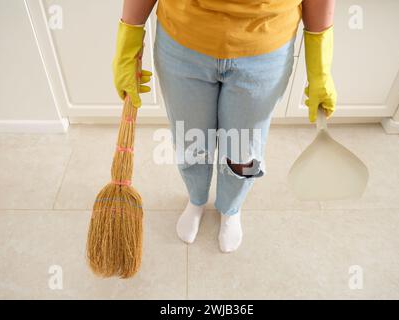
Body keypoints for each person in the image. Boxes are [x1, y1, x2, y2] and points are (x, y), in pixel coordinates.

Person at [113, 0, 337, 253]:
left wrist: (320, 67)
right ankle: (196, 199)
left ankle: (231, 208)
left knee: (243, 154)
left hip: (264, 47)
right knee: (191, 142)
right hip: (182, 42)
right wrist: (129, 36)